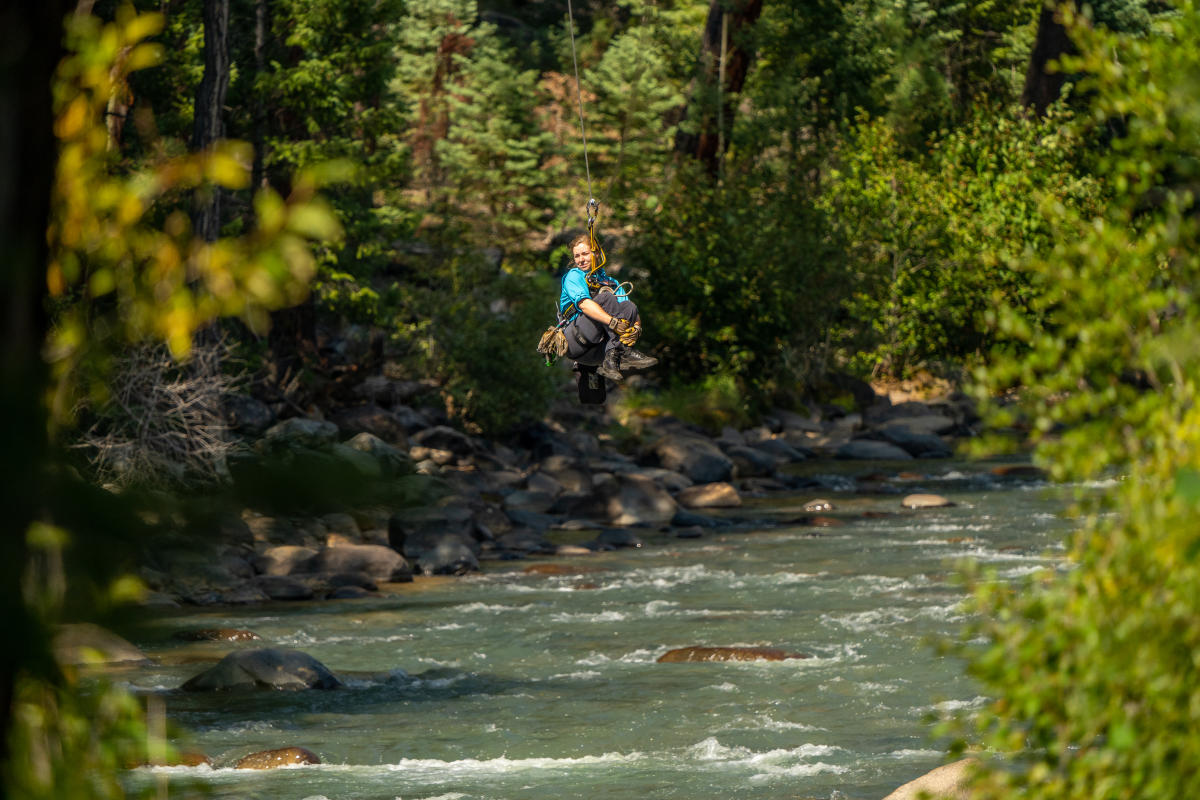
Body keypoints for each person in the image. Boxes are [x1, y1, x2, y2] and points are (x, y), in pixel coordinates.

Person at [557, 234, 657, 382]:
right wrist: (613, 322)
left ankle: (615, 355)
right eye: (577, 256)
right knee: (606, 298)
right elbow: (584, 305)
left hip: (601, 351)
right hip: (577, 342)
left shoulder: (611, 282)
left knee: (629, 306)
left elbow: (632, 313)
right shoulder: (574, 276)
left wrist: (636, 328)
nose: (581, 259)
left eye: (585, 254)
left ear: (596, 253)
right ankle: (620, 350)